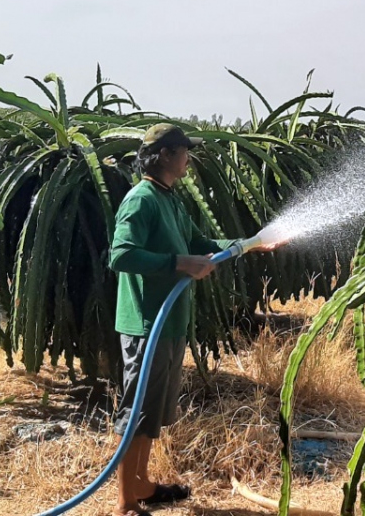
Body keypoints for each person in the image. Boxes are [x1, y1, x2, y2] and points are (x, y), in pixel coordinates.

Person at [108, 123, 277, 516]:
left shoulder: (170, 200)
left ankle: (143, 485)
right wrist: (178, 263)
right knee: (135, 413)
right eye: (185, 150)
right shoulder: (142, 200)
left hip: (168, 326)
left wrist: (249, 245)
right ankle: (124, 502)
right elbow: (120, 254)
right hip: (145, 325)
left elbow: (200, 245)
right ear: (166, 155)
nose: (190, 157)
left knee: (152, 413)